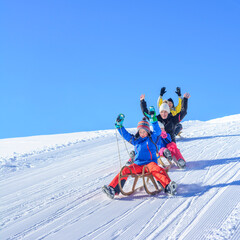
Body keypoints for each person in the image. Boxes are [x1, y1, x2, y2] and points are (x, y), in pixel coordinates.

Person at [102, 109, 177, 199]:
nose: (142, 133)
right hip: (138, 165)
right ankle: (112, 189)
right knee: (124, 170)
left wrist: (153, 120)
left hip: (150, 164)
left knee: (157, 169)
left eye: (144, 131)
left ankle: (168, 186)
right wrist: (119, 126)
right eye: (140, 132)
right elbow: (126, 135)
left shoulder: (153, 138)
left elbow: (158, 131)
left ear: (148, 131)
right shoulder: (136, 140)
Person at [140, 93, 191, 168]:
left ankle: (180, 161)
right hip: (159, 142)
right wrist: (142, 101)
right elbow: (146, 113)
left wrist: (185, 99)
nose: (163, 114)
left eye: (165, 112)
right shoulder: (156, 118)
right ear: (160, 112)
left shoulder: (173, 119)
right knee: (159, 146)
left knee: (173, 148)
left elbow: (183, 112)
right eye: (162, 112)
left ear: (168, 112)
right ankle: (165, 153)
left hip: (170, 141)